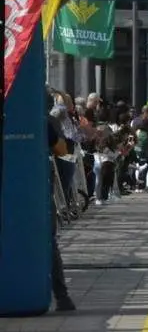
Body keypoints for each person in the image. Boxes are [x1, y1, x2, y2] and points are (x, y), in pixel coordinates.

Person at [47, 112, 76, 312]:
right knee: (48, 242)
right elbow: (62, 149)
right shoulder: (37, 118)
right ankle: (62, 297)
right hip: (33, 193)